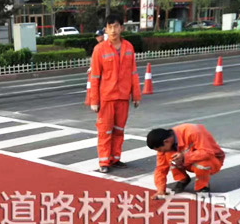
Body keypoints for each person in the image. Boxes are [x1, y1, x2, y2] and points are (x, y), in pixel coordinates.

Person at [89, 14, 141, 173]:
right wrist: (94, 100)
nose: (113, 30)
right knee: (105, 131)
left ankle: (115, 158)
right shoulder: (99, 49)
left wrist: (136, 95)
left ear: (122, 28)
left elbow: (133, 72)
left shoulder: (128, 47)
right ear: (105, 29)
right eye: (110, 27)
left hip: (123, 97)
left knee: (119, 130)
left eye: (116, 26)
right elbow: (95, 77)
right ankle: (104, 161)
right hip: (106, 98)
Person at [146, 124, 226, 198]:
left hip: (213, 159)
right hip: (189, 159)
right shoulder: (167, 142)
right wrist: (160, 190)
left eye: (160, 149)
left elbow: (208, 152)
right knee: (170, 157)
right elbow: (160, 168)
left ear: (166, 141)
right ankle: (183, 179)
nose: (160, 152)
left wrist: (184, 157)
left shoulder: (193, 131)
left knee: (203, 164)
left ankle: (202, 186)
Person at [84, 29, 106, 107]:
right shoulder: (97, 47)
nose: (97, 37)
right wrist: (91, 67)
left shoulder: (105, 46)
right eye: (96, 36)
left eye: (99, 36)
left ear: (103, 36)